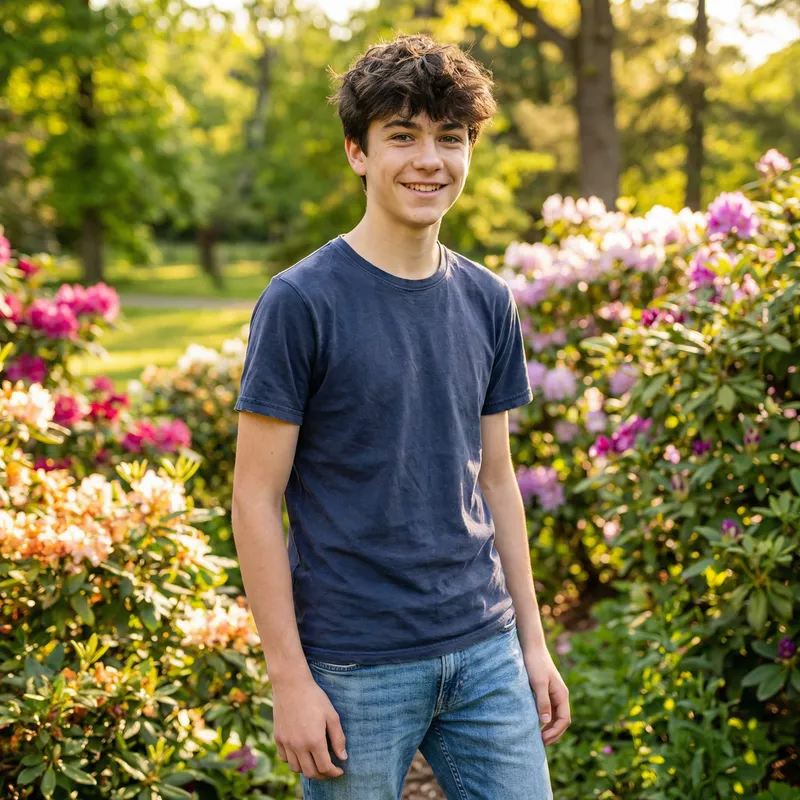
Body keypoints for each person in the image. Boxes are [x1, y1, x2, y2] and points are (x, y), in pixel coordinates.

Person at [231, 32, 570, 800]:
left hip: (484, 649)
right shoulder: (301, 302)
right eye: (402, 136)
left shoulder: (487, 299)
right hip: (355, 663)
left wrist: (532, 643)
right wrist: (289, 679)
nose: (430, 159)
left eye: (450, 137)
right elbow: (254, 497)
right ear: (358, 151)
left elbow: (497, 481)